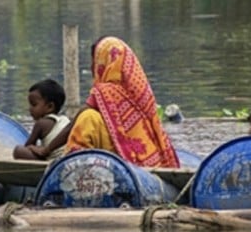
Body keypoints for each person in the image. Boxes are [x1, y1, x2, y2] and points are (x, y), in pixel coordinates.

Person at [65, 36, 180, 168]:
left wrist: (47, 149)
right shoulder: (138, 90)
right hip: (151, 158)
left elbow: (80, 115)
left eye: (95, 62)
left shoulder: (106, 91)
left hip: (126, 162)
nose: (92, 67)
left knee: (87, 117)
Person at [12, 78, 71, 160]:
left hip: (54, 160)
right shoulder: (65, 119)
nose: (30, 109)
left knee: (18, 150)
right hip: (69, 157)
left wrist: (32, 147)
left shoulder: (41, 123)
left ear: (50, 107)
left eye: (34, 105)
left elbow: (28, 146)